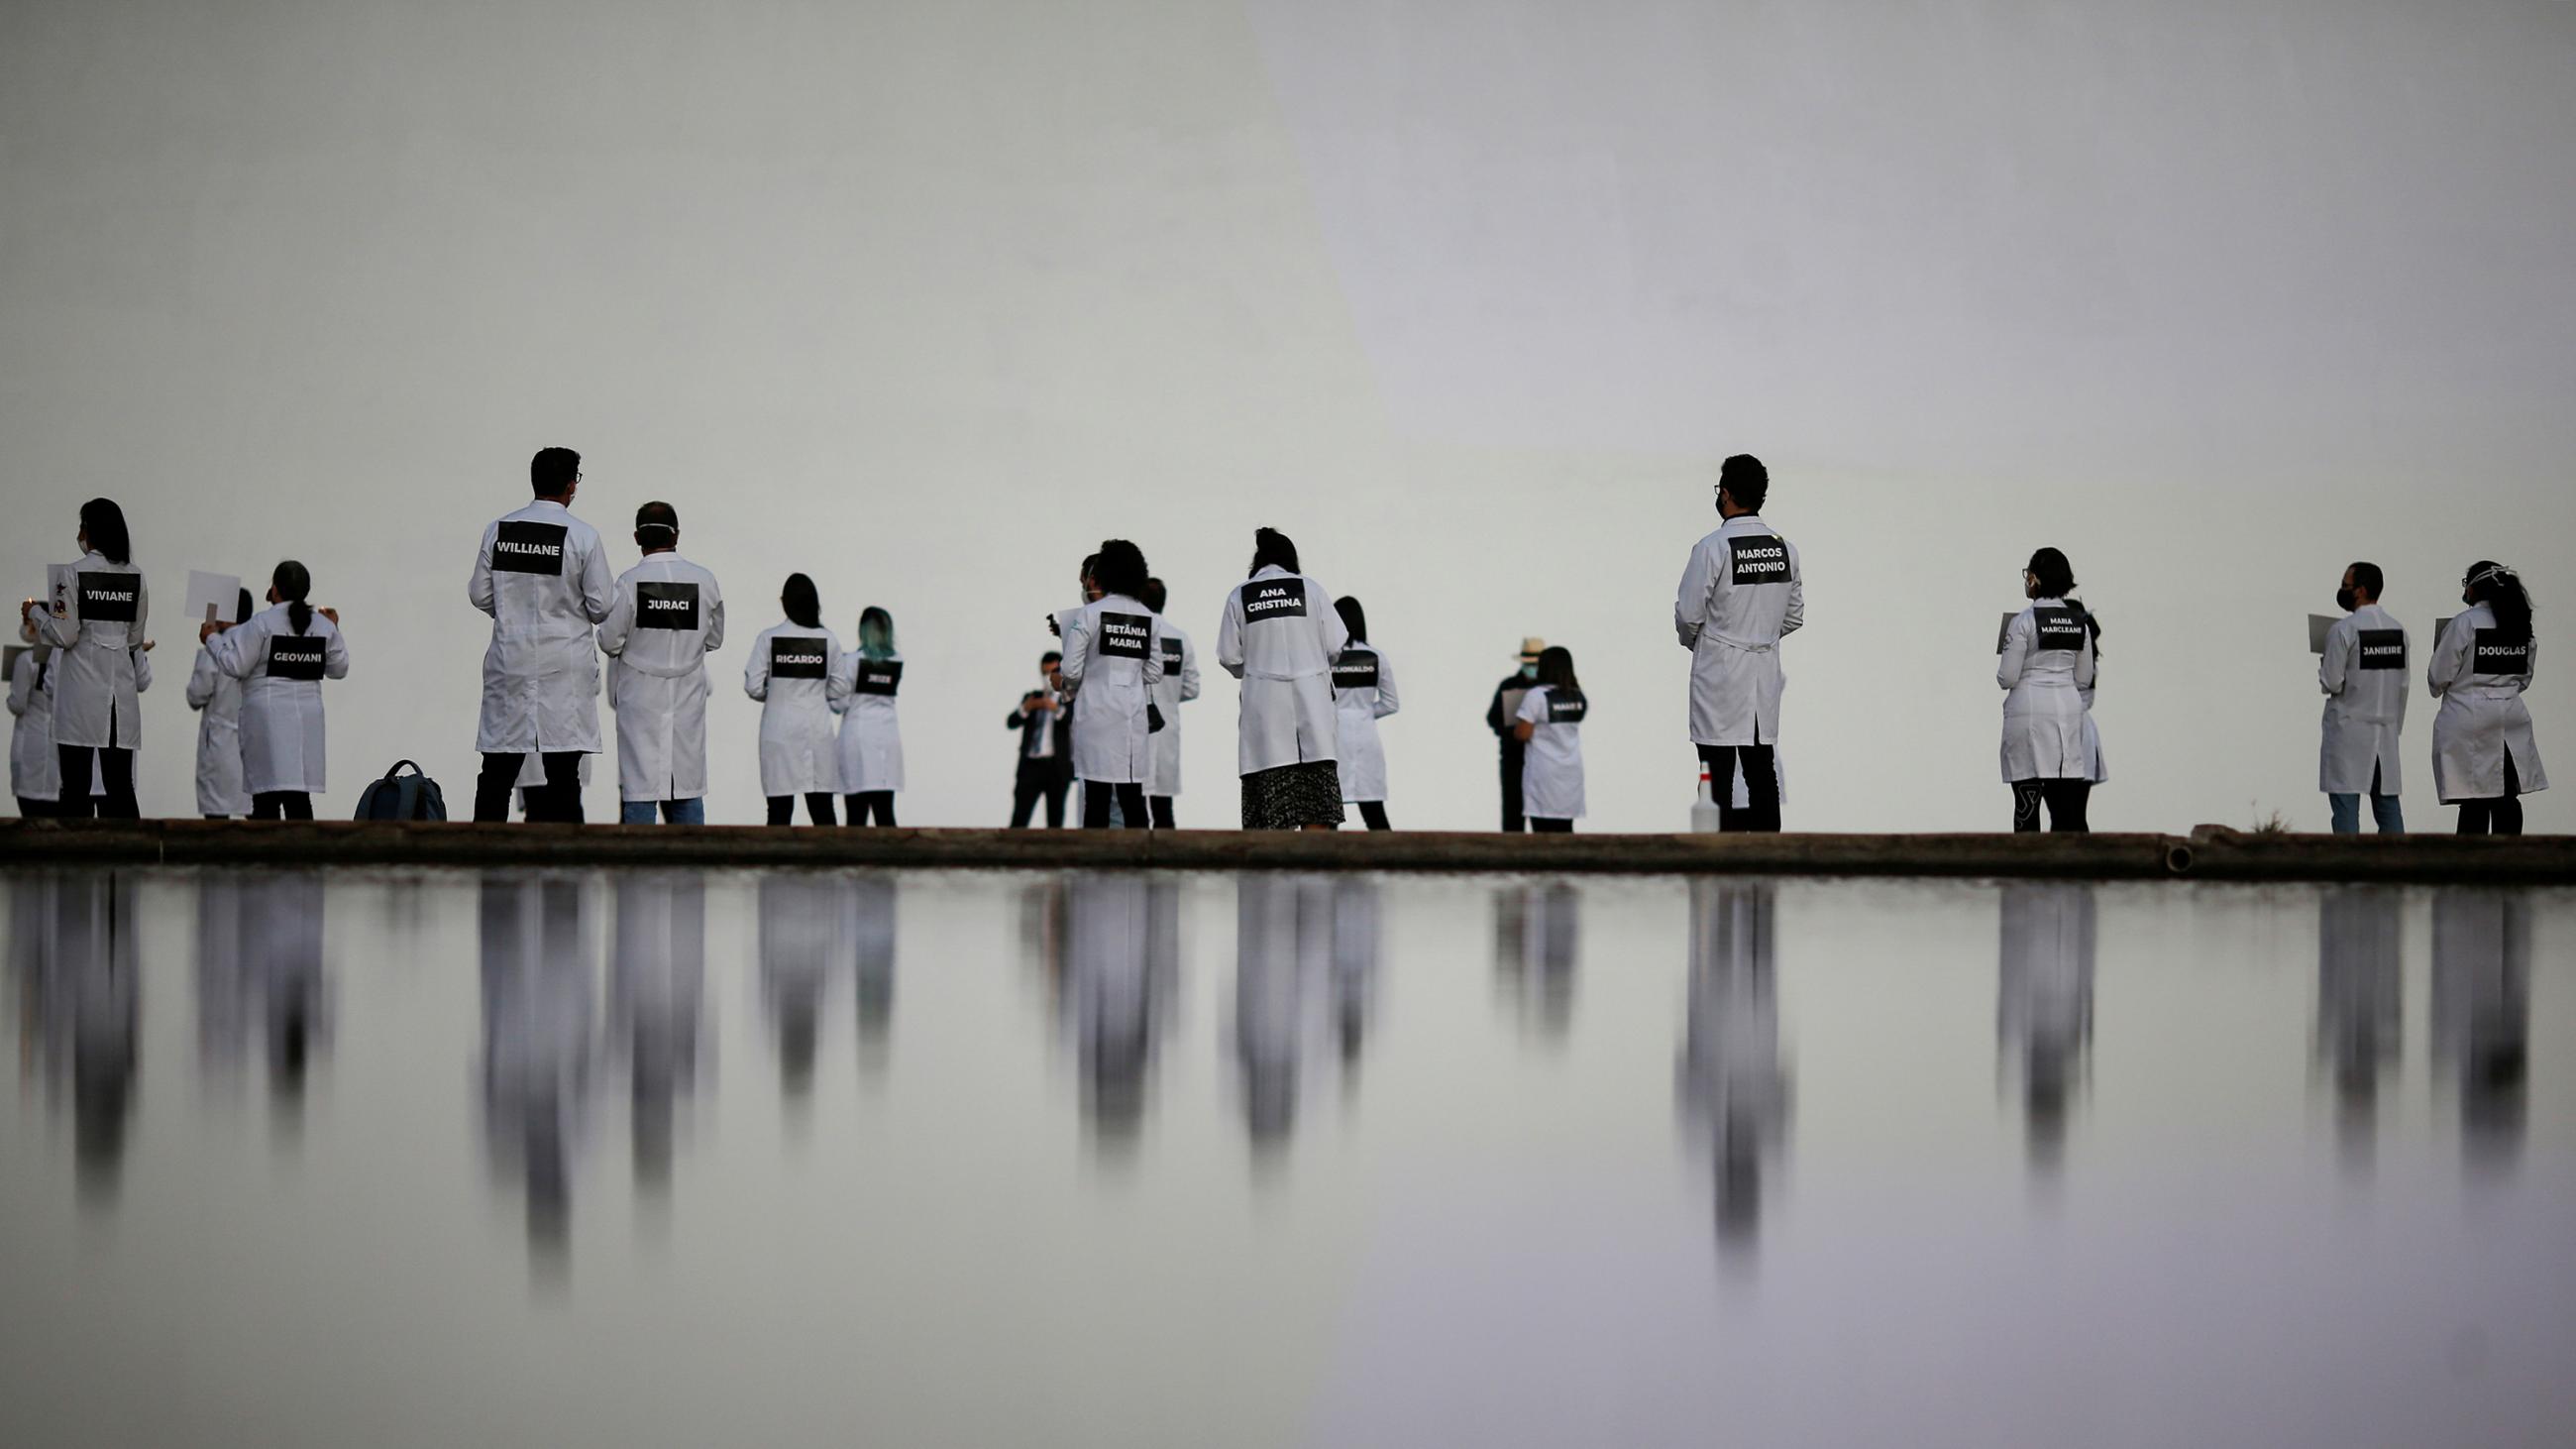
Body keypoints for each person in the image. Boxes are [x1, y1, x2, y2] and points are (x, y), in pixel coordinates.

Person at [467, 447, 615, 823]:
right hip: (563, 665)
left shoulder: (499, 530)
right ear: (571, 486)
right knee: (564, 773)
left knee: (497, 771)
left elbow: (479, 594)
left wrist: (513, 614)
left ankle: (485, 856)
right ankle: (563, 866)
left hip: (510, 657)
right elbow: (601, 606)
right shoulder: (582, 536)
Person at [1673, 455, 1801, 832]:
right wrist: (1758, 636)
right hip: (1763, 673)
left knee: (1716, 774)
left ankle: (1718, 865)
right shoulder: (1784, 549)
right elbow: (1793, 617)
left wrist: (1706, 642)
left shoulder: (1712, 547)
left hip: (1720, 672)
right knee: (1762, 772)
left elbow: (1689, 615)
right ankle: (1769, 864)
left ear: (1726, 494)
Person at [596, 501, 724, 826]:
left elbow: (609, 642)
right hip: (687, 699)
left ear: (637, 538)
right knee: (687, 787)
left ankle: (636, 871)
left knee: (639, 790)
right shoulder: (705, 581)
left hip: (640, 700)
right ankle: (694, 869)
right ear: (677, 535)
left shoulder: (627, 583)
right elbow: (715, 639)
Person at [24, 499, 149, 819]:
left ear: (89, 531)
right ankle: (133, 859)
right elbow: (134, 639)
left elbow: (65, 636)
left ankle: (71, 864)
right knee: (120, 786)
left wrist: (36, 614)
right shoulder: (135, 576)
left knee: (76, 786)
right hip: (118, 697)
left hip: (80, 694)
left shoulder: (72, 574)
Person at [1216, 528, 1347, 831]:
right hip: (1313, 718)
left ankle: (1273, 878)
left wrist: (1255, 670)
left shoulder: (1241, 594)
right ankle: (1317, 876)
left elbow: (1229, 657)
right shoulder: (1311, 589)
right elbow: (1334, 646)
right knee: (1317, 814)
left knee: (1271, 821)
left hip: (1265, 723)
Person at [203, 561, 349, 821]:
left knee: (265, 796)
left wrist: (212, 639)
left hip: (266, 717)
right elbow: (339, 669)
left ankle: (265, 859)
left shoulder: (261, 623)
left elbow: (236, 665)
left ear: (275, 589)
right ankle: (304, 858)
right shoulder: (323, 625)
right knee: (299, 798)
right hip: (307, 719)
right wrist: (334, 627)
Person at [2429, 561, 2547, 835]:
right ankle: (2511, 863)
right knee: (2507, 798)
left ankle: (2469, 871)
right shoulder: (2519, 624)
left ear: (2473, 587)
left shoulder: (2465, 623)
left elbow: (2438, 677)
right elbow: (2524, 679)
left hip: (2468, 720)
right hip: (2510, 719)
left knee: (2474, 802)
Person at [1059, 540, 1164, 829]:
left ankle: (1095, 869)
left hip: (1095, 717)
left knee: (1096, 801)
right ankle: (1143, 863)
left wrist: (1091, 677)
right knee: (1134, 802)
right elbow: (1155, 672)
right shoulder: (1148, 618)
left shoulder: (1090, 614)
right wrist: (1128, 678)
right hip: (1131, 718)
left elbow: (1070, 669)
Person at [1996, 547, 2095, 833]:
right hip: (2066, 712)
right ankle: (2069, 870)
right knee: (2066, 808)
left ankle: (2026, 865)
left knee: (2027, 803)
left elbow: (2007, 677)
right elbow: (2084, 677)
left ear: (2035, 580)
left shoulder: (2022, 622)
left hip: (2027, 714)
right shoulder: (2080, 624)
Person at [744, 572, 847, 826]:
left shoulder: (768, 638)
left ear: (784, 602)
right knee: (823, 809)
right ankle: (830, 864)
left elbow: (753, 686)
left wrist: (778, 693)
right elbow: (840, 687)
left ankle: (775, 864)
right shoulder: (828, 639)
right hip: (817, 728)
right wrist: (815, 693)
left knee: (778, 810)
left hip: (779, 728)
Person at [2318, 561, 2408, 835]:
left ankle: (2348, 870)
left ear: (2361, 590)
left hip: (2349, 729)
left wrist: (2324, 663)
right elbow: (2403, 685)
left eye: (2346, 585)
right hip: (2385, 732)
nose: (2342, 590)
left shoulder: (2344, 630)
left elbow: (2331, 681)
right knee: (2388, 809)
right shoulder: (2398, 631)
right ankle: (2398, 866)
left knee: (2345, 810)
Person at [184, 588, 255, 819]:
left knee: (216, 812)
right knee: (256, 811)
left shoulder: (214, 649)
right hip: (254, 742)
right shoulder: (256, 645)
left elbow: (197, 695)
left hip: (218, 742)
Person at [1333, 596, 1401, 831]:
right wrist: (1364, 712)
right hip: (1366, 736)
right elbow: (1391, 703)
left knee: (1328, 815)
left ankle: (1324, 866)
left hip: (1333, 738)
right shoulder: (1376, 657)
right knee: (1374, 813)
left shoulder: (1326, 658)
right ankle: (1392, 863)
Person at [832, 606, 905, 827]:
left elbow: (839, 703)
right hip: (887, 737)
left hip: (858, 736)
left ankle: (853, 861)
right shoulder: (897, 661)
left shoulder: (851, 661)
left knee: (856, 813)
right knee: (885, 812)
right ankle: (892, 860)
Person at [1140, 578, 1199, 829]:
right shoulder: (1180, 638)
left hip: (1135, 725)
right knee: (1163, 808)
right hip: (1167, 727)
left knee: (1131, 805)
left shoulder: (1136, 632)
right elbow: (1192, 688)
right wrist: (1169, 697)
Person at [1513, 645, 1589, 832]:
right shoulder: (1578, 696)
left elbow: (1523, 733)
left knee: (1543, 833)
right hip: (1570, 773)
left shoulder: (1536, 696)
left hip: (1544, 775)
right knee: (1565, 831)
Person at [1008, 652, 1075, 828]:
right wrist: (1026, 708)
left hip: (1056, 767)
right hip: (1031, 766)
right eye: (1045, 673)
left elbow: (1074, 721)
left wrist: (1056, 709)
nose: (1048, 677)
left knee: (1055, 819)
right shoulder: (1032, 697)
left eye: (1053, 672)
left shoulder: (1068, 698)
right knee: (1020, 818)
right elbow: (1011, 722)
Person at [1484, 638, 1544, 832]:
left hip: (1542, 761)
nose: (1531, 667)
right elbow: (1493, 718)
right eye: (1528, 663)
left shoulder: (1548, 690)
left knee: (1543, 815)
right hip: (1513, 758)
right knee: (1512, 812)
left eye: (1535, 663)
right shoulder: (1509, 685)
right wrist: (1514, 732)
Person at [9, 614, 62, 817]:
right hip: (57, 743)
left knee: (30, 814)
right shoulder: (63, 660)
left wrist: (9, 699)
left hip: (29, 740)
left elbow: (18, 705)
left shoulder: (25, 660)